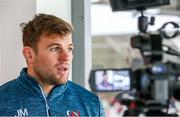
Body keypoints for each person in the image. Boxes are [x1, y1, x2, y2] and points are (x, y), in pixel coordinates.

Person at [0, 14, 105, 116]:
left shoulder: (91, 103)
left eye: (69, 49)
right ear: (30, 55)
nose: (66, 57)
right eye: (55, 49)